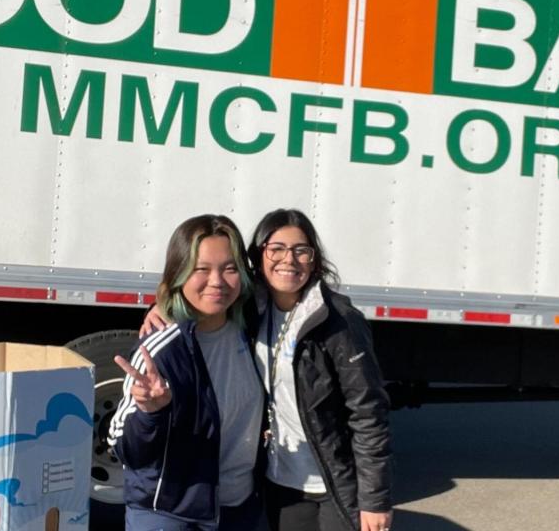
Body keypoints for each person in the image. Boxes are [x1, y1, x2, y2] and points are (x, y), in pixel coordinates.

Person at [142, 209, 393, 531]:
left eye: (301, 250)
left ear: (314, 261)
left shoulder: (338, 321)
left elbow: (369, 413)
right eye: (276, 249)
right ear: (259, 257)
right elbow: (200, 290)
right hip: (280, 481)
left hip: (332, 483)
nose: (289, 259)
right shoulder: (251, 309)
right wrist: (161, 305)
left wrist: (375, 500)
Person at [109, 214, 265, 531]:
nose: (217, 281)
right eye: (201, 269)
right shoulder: (160, 348)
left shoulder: (250, 331)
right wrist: (149, 412)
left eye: (230, 268)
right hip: (170, 513)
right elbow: (122, 446)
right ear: (179, 273)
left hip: (239, 508)